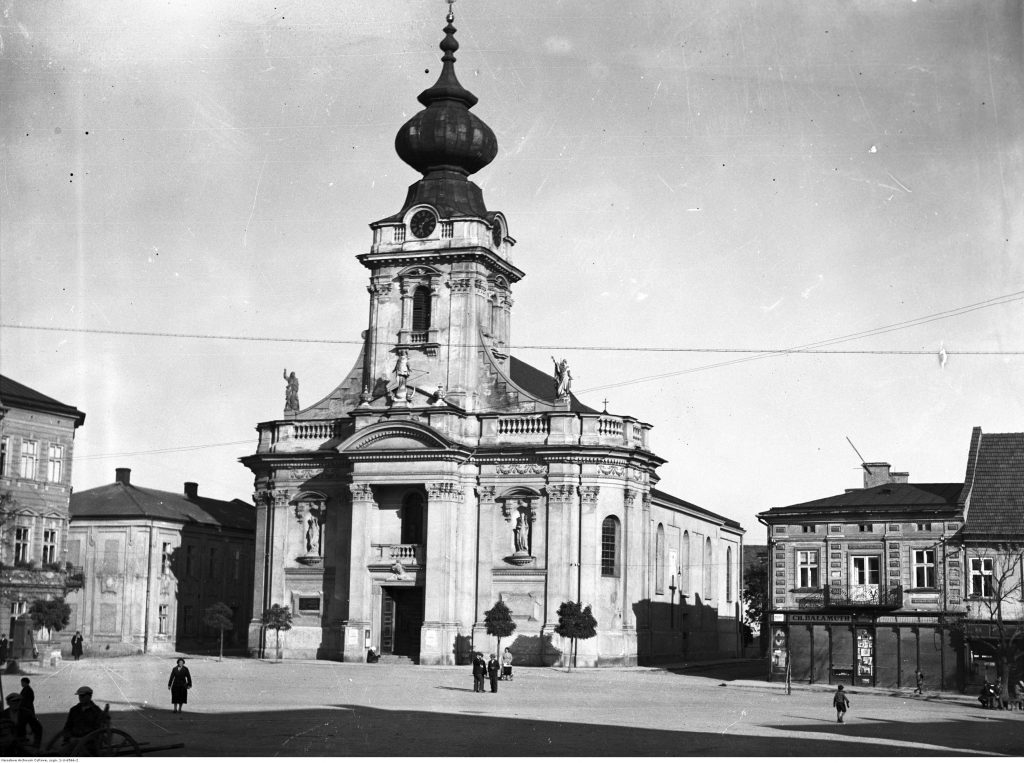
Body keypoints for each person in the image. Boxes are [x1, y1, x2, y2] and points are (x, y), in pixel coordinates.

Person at [57, 687, 105, 753]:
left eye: (82, 696)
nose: (80, 698)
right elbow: (68, 726)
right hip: (74, 740)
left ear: (89, 696)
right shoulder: (74, 710)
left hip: (89, 742)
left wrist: (82, 739)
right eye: (79, 696)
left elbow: (97, 730)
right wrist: (66, 739)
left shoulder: (96, 711)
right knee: (62, 752)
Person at [17, 678, 42, 749]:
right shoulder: (27, 689)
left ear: (25, 682)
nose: (21, 684)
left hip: (27, 709)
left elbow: (25, 700)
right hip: (28, 708)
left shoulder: (27, 690)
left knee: (30, 724)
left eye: (22, 682)